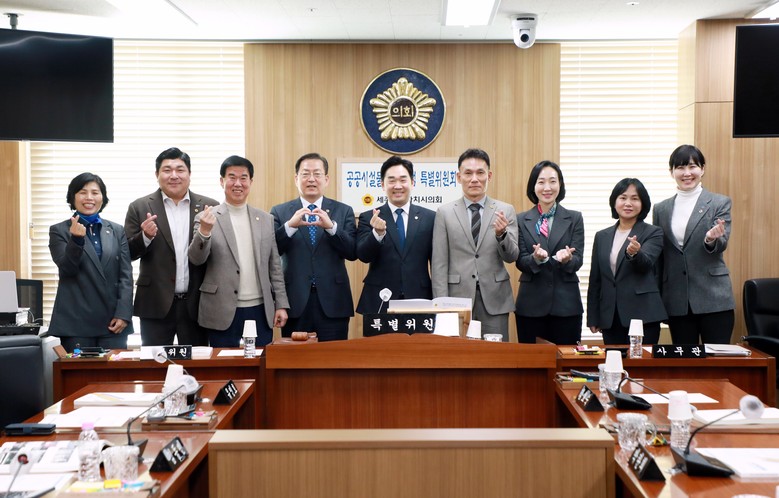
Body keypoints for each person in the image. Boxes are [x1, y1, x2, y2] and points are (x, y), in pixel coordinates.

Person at [188, 155, 289, 347]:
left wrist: (281, 304)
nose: (238, 183)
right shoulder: (206, 217)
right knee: (223, 362)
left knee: (261, 361)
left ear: (251, 182)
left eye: (243, 178)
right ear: (222, 181)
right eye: (232, 177)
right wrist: (204, 232)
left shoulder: (265, 219)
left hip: (260, 308)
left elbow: (275, 266)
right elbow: (196, 259)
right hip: (221, 308)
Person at [124, 147, 218, 346]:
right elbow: (127, 254)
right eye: (167, 170)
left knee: (197, 361)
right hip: (155, 303)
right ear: (157, 175)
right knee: (154, 362)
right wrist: (145, 237)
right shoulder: (139, 206)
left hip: (196, 303)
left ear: (189, 174)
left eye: (180, 170)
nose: (174, 175)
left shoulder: (210, 206)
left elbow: (217, 254)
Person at [431, 148, 519, 341]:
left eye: (480, 173)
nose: (474, 179)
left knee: (495, 355)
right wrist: (440, 304)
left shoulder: (505, 210)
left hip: (495, 299)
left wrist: (501, 234)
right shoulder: (444, 213)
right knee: (459, 355)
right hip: (455, 300)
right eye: (468, 173)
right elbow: (439, 263)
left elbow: (512, 256)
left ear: (489, 176)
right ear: (458, 177)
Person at [652, 144, 735, 344]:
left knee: (717, 358)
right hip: (677, 299)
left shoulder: (719, 202)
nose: (687, 173)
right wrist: (659, 299)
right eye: (680, 167)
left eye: (692, 166)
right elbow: (660, 257)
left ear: (702, 169)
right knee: (685, 358)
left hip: (714, 297)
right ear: (671, 172)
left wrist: (711, 239)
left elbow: (722, 242)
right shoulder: (661, 209)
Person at [270, 152, 357, 341]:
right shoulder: (280, 212)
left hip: (334, 302)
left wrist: (332, 228)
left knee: (333, 356)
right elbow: (272, 251)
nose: (311, 179)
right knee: (296, 357)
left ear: (326, 179)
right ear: (296, 179)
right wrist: (290, 226)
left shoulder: (343, 211)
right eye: (305, 174)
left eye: (317, 174)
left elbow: (352, 251)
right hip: (295, 301)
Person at [48, 173, 134, 352]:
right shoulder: (59, 230)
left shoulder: (116, 230)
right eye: (82, 192)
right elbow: (67, 269)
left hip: (113, 322)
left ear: (103, 197)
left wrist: (124, 314)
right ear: (73, 197)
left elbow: (125, 275)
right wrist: (76, 240)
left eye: (95, 192)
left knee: (115, 370)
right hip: (76, 323)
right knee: (79, 371)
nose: (89, 197)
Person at [587, 178, 666, 345]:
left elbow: (646, 263)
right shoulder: (602, 236)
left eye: (635, 198)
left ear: (643, 203)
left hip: (643, 315)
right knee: (614, 360)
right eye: (623, 198)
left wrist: (635, 253)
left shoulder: (653, 232)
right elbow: (596, 279)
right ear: (614, 202)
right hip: (610, 317)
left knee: (643, 362)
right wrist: (593, 317)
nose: (628, 203)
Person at [515, 160, 584, 344]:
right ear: (533, 186)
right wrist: (535, 259)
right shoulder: (521, 219)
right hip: (531, 306)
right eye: (541, 182)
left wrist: (568, 259)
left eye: (553, 181)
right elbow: (520, 261)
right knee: (532, 359)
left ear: (560, 185)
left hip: (566, 306)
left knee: (566, 359)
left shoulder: (574, 218)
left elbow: (578, 260)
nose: (547, 187)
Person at [356, 156, 435, 313]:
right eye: (391, 180)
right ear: (382, 185)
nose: (398, 186)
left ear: (412, 183)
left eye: (403, 180)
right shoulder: (369, 217)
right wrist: (377, 234)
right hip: (379, 298)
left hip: (420, 297)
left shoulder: (430, 217)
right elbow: (363, 255)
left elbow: (436, 260)